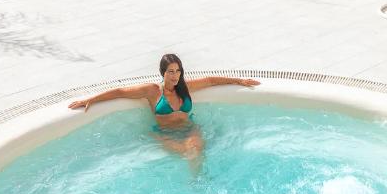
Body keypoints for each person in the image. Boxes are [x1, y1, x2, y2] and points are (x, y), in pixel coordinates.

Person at [68, 53, 259, 165]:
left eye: (178, 71)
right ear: (162, 73)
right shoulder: (152, 91)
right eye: (171, 72)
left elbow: (210, 81)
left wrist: (239, 80)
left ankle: (199, 184)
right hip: (165, 133)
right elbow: (120, 91)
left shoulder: (185, 88)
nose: (175, 76)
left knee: (196, 153)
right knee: (188, 154)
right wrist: (90, 100)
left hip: (188, 129)